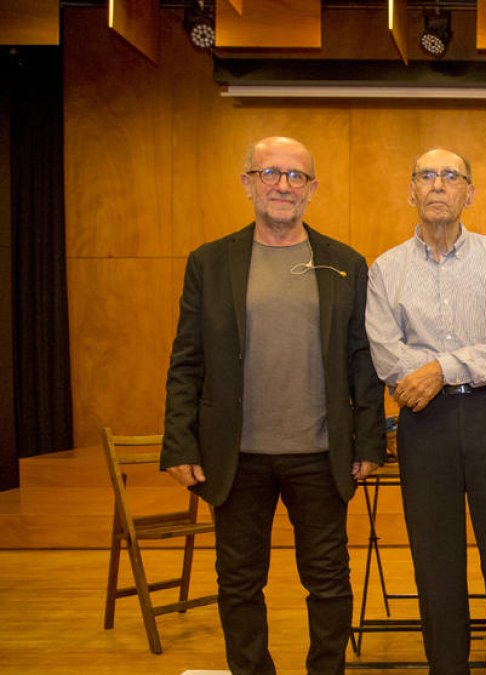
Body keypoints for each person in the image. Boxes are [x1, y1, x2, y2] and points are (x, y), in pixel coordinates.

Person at [161, 136, 386, 674]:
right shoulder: (209, 263)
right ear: (247, 183)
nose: (282, 185)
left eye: (295, 176)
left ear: (312, 189)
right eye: (270, 173)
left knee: (329, 582)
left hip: (320, 453)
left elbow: (364, 360)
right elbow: (186, 360)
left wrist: (370, 439)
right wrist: (179, 443)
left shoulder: (345, 263)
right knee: (238, 583)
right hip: (236, 456)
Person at [365, 148, 486, 675]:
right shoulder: (385, 269)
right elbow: (385, 353)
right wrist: (476, 366)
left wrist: (443, 370)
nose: (438, 184)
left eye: (451, 176)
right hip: (426, 424)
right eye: (426, 176)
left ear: (470, 193)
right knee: (436, 564)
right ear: (410, 191)